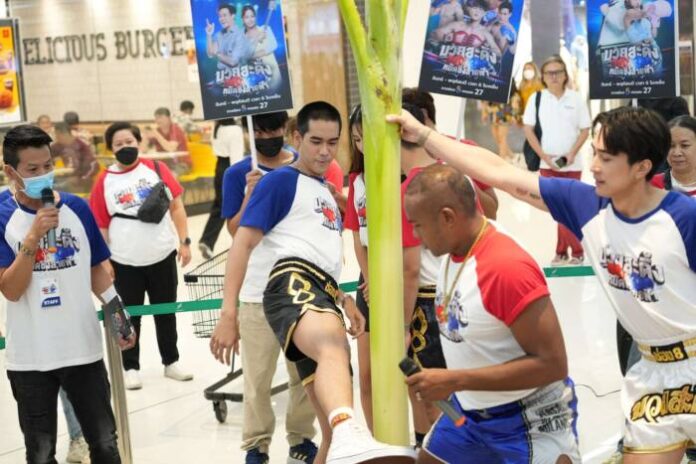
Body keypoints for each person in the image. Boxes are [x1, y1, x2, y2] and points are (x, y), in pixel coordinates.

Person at [388, 105, 696, 464]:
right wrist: (424, 135)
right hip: (651, 373)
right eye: (594, 153)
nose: (594, 166)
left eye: (607, 158)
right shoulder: (586, 206)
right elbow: (501, 172)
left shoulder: (683, 218)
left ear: (642, 167)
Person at [211, 101, 413, 463]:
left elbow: (323, 257)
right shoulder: (281, 181)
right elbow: (241, 243)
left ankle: (341, 436)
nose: (324, 151)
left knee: (327, 435)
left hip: (323, 292)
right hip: (290, 282)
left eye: (332, 143)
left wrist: (344, 299)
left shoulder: (324, 190)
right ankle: (349, 430)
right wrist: (229, 313)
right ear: (296, 138)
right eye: (316, 141)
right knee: (332, 346)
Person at [402, 164, 580, 464]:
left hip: (529, 419)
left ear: (447, 217)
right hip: (469, 413)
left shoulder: (504, 268)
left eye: (418, 225)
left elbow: (553, 364)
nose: (415, 235)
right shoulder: (455, 249)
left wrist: (455, 380)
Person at [0, 124, 135, 464]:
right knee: (40, 452)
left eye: (48, 165)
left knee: (104, 443)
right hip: (30, 357)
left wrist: (119, 314)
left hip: (82, 350)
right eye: (32, 169)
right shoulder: (3, 217)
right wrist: (33, 238)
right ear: (10, 172)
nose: (43, 175)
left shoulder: (77, 208)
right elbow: (11, 290)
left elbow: (96, 270)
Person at [218, 111, 318, 464]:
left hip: (302, 291)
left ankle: (301, 438)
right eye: (258, 131)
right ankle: (256, 445)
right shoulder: (236, 174)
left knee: (303, 375)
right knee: (257, 378)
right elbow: (235, 231)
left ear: (287, 130)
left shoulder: (305, 168)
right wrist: (250, 194)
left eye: (273, 129)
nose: (266, 136)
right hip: (256, 290)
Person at [90, 122, 193, 390]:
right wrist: (104, 261)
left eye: (129, 141)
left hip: (162, 255)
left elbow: (177, 207)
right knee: (126, 316)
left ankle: (171, 361)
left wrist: (184, 241)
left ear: (139, 142)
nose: (125, 147)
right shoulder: (104, 180)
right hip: (124, 261)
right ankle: (130, 367)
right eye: (118, 144)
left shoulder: (156, 169)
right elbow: (100, 225)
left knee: (166, 311)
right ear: (111, 149)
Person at [523, 55, 591, 266]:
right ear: (543, 77)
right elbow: (528, 130)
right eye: (549, 73)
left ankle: (569, 252)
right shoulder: (536, 99)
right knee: (557, 209)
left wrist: (572, 153)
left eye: (558, 72)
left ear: (565, 75)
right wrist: (544, 156)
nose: (553, 76)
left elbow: (585, 129)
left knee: (568, 207)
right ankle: (569, 252)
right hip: (547, 165)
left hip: (572, 164)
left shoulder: (576, 98)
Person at [402, 87, 499, 219]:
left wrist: (463, 180)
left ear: (424, 116)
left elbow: (491, 212)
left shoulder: (465, 148)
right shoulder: (398, 159)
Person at [198, 117, 245, 259]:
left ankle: (207, 241)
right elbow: (236, 160)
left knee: (220, 205)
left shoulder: (217, 126)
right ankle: (241, 245)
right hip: (231, 169)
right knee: (236, 207)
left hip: (219, 167)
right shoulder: (235, 130)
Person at [241, 3, 282, 91]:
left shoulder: (265, 29)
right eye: (247, 17)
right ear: (242, 19)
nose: (250, 19)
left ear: (255, 17)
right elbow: (244, 56)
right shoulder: (242, 37)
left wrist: (254, 55)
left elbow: (273, 45)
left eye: (252, 16)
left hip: (273, 72)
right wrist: (257, 39)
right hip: (256, 78)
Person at [51, 122, 98, 193]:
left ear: (63, 134)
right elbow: (46, 155)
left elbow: (93, 166)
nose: (56, 138)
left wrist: (80, 179)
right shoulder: (58, 146)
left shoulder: (81, 146)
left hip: (81, 182)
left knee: (56, 188)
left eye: (57, 135)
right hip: (66, 178)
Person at [480, 82, 522, 162]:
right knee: (497, 138)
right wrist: (484, 112)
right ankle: (512, 156)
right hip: (493, 114)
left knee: (502, 137)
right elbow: (484, 99)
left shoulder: (509, 86)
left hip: (505, 113)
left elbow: (515, 100)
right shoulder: (491, 83)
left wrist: (515, 116)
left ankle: (502, 159)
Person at [141, 107, 191, 173]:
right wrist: (145, 135)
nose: (157, 120)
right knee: (146, 172)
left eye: (160, 117)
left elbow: (171, 148)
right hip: (164, 164)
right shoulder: (157, 130)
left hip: (180, 163)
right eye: (156, 118)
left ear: (169, 118)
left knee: (169, 174)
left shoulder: (175, 129)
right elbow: (143, 150)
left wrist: (157, 135)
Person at [205, 3, 253, 73]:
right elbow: (210, 54)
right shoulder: (219, 35)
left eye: (224, 15)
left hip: (238, 75)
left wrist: (217, 54)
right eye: (220, 16)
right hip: (221, 75)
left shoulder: (240, 34)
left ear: (233, 16)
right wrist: (209, 35)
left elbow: (233, 62)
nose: (222, 19)